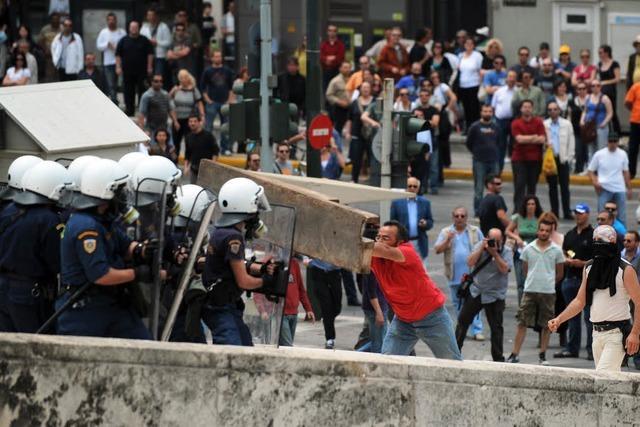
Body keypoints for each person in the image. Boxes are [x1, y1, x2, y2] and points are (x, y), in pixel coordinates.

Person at [55, 159, 158, 339]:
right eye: (119, 190)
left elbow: (125, 245)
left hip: (112, 304)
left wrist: (143, 250)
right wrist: (137, 273)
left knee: (145, 349)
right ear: (106, 192)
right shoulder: (86, 227)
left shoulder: (103, 219)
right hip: (86, 310)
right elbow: (101, 275)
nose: (123, 196)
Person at [549, 225, 640, 372]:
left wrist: (635, 334)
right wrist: (559, 319)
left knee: (602, 378)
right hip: (596, 334)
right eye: (594, 240)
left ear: (611, 241)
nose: (596, 244)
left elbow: (639, 302)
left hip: (616, 333)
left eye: (600, 240)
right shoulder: (589, 267)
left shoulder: (626, 270)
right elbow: (580, 300)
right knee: (607, 384)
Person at [201, 177, 277, 346]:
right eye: (256, 210)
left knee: (245, 347)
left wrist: (261, 269)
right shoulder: (233, 238)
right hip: (221, 308)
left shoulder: (220, 232)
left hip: (225, 305)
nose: (257, 216)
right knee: (233, 354)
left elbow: (230, 266)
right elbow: (243, 281)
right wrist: (267, 282)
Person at [371, 220, 462, 359]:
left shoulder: (406, 252)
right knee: (388, 361)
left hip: (432, 317)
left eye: (385, 238)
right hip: (403, 319)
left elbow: (384, 250)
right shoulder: (376, 258)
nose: (380, 241)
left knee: (451, 363)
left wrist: (357, 241)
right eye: (378, 237)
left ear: (400, 242)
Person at [0, 161, 70, 333]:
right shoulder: (49, 220)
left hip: (3, 287)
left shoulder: (9, 210)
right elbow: (56, 262)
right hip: (29, 293)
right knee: (35, 346)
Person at [507, 219, 565, 365]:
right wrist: (532, 280)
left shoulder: (556, 250)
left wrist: (549, 282)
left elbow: (560, 273)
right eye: (542, 230)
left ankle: (543, 355)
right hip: (530, 289)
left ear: (550, 232)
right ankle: (515, 354)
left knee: (547, 324)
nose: (544, 233)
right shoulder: (528, 249)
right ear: (538, 231)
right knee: (522, 321)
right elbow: (525, 270)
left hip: (548, 291)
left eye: (547, 230)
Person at [456, 228, 513, 361]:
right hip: (477, 291)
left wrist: (495, 254)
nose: (495, 243)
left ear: (503, 240)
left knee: (496, 328)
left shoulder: (506, 251)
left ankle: (498, 358)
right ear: (487, 238)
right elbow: (469, 262)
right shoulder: (480, 246)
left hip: (495, 295)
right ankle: (454, 351)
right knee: (462, 321)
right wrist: (482, 247)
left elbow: (505, 269)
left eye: (498, 241)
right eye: (492, 240)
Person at [434, 206, 485, 340]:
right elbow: (437, 250)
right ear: (453, 217)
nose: (460, 218)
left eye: (462, 216)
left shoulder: (475, 231)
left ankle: (477, 330)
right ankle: (462, 328)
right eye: (457, 216)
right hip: (454, 275)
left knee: (474, 303)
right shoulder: (446, 232)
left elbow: (483, 246)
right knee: (457, 303)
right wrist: (447, 240)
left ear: (466, 217)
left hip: (472, 275)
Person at [556, 204, 594, 359]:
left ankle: (592, 350)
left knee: (589, 317)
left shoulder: (593, 235)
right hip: (570, 278)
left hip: (587, 281)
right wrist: (566, 260)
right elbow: (564, 252)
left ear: (587, 215)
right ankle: (572, 348)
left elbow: (598, 259)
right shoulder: (570, 234)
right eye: (576, 213)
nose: (578, 216)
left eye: (581, 213)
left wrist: (582, 263)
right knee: (572, 316)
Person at [506, 195, 543, 304]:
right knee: (521, 283)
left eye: (533, 204)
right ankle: (521, 307)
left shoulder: (540, 218)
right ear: (525, 206)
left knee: (533, 282)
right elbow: (508, 231)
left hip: (537, 253)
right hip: (521, 253)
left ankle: (532, 306)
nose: (531, 206)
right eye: (528, 204)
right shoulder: (518, 217)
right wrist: (517, 238)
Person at [588, 136, 632, 226]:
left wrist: (629, 188)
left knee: (621, 216)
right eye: (611, 141)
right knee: (602, 216)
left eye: (615, 141)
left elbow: (626, 172)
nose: (613, 144)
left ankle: (621, 237)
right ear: (607, 142)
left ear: (617, 142)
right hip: (604, 188)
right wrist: (595, 182)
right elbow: (590, 171)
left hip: (619, 188)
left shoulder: (623, 154)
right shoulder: (599, 154)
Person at [510, 99, 546, 210]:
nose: (527, 109)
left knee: (532, 187)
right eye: (525, 107)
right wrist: (534, 137)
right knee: (519, 186)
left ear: (532, 108)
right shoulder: (516, 123)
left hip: (535, 159)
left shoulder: (539, 122)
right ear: (521, 109)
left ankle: (531, 211)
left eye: (529, 107)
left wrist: (527, 138)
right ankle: (517, 211)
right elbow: (519, 139)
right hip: (519, 159)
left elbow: (542, 139)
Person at [390, 177, 434, 266]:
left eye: (415, 186)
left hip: (419, 242)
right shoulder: (397, 203)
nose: (412, 188)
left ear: (418, 188)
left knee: (421, 273)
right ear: (406, 187)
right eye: (410, 186)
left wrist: (425, 224)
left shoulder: (425, 203)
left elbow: (430, 221)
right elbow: (392, 223)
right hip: (403, 243)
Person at [115, 21, 154, 117]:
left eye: (135, 27)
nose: (133, 29)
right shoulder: (123, 40)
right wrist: (118, 67)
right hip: (127, 71)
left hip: (142, 71)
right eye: (132, 27)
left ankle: (142, 111)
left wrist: (149, 67)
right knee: (128, 91)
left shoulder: (145, 40)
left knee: (143, 91)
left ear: (139, 28)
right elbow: (118, 55)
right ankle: (129, 110)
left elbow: (150, 54)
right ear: (129, 28)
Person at [466, 104, 500, 215]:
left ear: (492, 113)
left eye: (489, 111)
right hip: (479, 161)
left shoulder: (496, 127)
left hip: (494, 161)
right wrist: (476, 153)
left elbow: (500, 142)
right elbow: (468, 143)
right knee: (479, 189)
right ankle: (478, 212)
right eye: (485, 111)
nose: (487, 113)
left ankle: (495, 211)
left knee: (495, 188)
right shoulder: (475, 127)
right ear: (481, 112)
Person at [544, 101, 575, 219]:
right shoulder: (545, 124)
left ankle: (567, 211)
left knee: (565, 187)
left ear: (559, 110)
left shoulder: (566, 124)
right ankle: (554, 212)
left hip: (562, 158)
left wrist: (569, 157)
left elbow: (571, 141)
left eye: (555, 109)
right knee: (552, 187)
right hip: (550, 159)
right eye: (550, 109)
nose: (553, 111)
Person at [200, 49, 233, 153]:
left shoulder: (227, 70)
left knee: (225, 127)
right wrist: (207, 99)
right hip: (212, 102)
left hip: (225, 102)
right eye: (216, 56)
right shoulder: (208, 71)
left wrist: (230, 100)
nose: (218, 58)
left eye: (219, 56)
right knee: (208, 127)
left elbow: (231, 87)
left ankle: (225, 148)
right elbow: (202, 87)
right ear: (212, 58)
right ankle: (207, 148)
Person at [343, 81, 375, 183]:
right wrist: (348, 132)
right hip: (357, 134)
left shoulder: (375, 102)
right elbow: (349, 119)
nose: (365, 89)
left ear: (370, 89)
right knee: (356, 157)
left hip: (372, 135)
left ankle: (373, 179)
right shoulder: (354, 103)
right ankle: (354, 178)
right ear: (360, 89)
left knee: (372, 157)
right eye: (363, 87)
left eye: (367, 87)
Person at [279, 257, 314, 346]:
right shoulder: (274, 262)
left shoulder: (294, 263)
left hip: (293, 313)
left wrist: (308, 309)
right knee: (288, 345)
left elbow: (301, 288)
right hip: (281, 314)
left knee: (285, 346)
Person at [170, 69, 204, 150]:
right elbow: (170, 103)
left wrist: (202, 115)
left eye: (185, 77)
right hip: (177, 118)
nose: (183, 79)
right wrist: (175, 120)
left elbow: (200, 103)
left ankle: (188, 159)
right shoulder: (176, 89)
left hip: (189, 119)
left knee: (189, 140)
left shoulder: (193, 90)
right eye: (181, 77)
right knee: (176, 141)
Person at [96, 12, 126, 103]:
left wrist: (118, 48)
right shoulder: (103, 32)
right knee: (111, 84)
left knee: (122, 84)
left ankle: (126, 102)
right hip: (108, 62)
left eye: (113, 20)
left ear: (116, 21)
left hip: (121, 62)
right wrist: (107, 45)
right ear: (107, 21)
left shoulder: (122, 32)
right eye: (109, 20)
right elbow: (98, 46)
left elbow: (126, 45)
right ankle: (114, 102)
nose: (111, 22)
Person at [140, 7, 172, 90]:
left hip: (159, 57)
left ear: (156, 16)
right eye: (149, 15)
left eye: (152, 15)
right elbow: (140, 41)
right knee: (148, 77)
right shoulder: (144, 27)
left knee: (158, 77)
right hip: (147, 56)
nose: (151, 17)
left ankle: (159, 95)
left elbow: (169, 42)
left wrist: (157, 43)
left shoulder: (163, 27)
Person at [491, 70, 517, 173]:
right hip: (500, 121)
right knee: (500, 147)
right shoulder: (499, 91)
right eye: (510, 77)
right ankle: (498, 171)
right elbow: (493, 107)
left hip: (513, 121)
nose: (511, 79)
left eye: (513, 77)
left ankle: (516, 172)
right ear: (506, 78)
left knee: (514, 147)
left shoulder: (518, 92)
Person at [581, 80, 613, 157]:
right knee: (590, 150)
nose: (595, 87)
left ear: (600, 87)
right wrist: (582, 120)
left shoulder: (605, 98)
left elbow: (610, 113)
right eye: (593, 86)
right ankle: (591, 168)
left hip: (600, 126)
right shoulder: (588, 97)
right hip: (589, 126)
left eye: (598, 85)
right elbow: (585, 111)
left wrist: (604, 123)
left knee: (601, 149)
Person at [184, 115, 219, 184]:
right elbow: (187, 154)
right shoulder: (188, 137)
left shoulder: (208, 135)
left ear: (199, 122)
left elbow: (215, 151)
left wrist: (212, 165)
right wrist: (186, 167)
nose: (192, 123)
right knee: (194, 190)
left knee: (206, 191)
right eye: (190, 121)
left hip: (207, 169)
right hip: (194, 169)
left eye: (195, 121)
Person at [457, 37, 483, 130]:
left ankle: (475, 128)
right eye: (467, 44)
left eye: (471, 44)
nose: (468, 46)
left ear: (473, 45)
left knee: (474, 108)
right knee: (466, 108)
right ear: (464, 45)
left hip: (474, 85)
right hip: (463, 85)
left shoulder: (477, 55)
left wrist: (480, 84)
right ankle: (467, 128)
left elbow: (480, 71)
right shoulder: (460, 55)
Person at [598, 45, 621, 136]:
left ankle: (617, 133)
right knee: (603, 111)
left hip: (611, 91)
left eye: (601, 52)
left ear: (606, 53)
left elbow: (617, 79)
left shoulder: (614, 64)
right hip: (602, 92)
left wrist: (605, 82)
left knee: (612, 112)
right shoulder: (600, 64)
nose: (599, 54)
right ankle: (605, 131)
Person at [325, 61, 351, 132]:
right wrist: (339, 102)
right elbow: (329, 95)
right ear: (340, 69)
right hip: (339, 109)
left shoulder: (353, 79)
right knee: (338, 129)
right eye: (345, 67)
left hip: (351, 108)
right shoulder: (335, 81)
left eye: (349, 67)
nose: (347, 69)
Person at [37, 12, 61, 82]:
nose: (55, 21)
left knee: (60, 77)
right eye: (53, 19)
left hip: (60, 57)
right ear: (51, 20)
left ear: (59, 20)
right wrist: (45, 50)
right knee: (49, 77)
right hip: (48, 57)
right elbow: (39, 41)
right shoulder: (45, 29)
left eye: (57, 19)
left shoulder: (62, 28)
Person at [320, 24, 345, 92]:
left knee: (336, 92)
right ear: (327, 32)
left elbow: (340, 58)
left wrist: (329, 59)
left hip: (336, 72)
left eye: (334, 31)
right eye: (330, 30)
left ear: (336, 32)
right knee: (326, 92)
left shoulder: (340, 45)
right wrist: (328, 59)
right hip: (326, 73)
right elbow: (321, 57)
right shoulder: (324, 44)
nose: (332, 32)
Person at [572, 82, 590, 173]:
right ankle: (578, 170)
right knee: (578, 151)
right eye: (579, 89)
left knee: (588, 152)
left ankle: (589, 170)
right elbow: (569, 115)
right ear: (577, 90)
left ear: (587, 90)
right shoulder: (572, 101)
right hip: (576, 131)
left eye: (584, 88)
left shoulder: (591, 100)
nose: (582, 90)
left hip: (589, 131)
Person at [624, 81, 640, 179]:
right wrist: (634, 110)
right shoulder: (636, 87)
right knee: (633, 148)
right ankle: (631, 172)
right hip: (636, 121)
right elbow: (627, 102)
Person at [220, 1, 235, 68]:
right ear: (228, 7)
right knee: (231, 59)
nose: (233, 8)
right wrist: (233, 32)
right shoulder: (225, 17)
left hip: (239, 41)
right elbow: (223, 31)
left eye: (234, 7)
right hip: (229, 41)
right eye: (231, 7)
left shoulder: (238, 17)